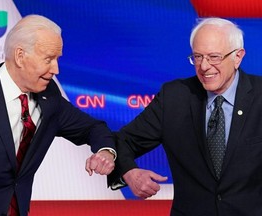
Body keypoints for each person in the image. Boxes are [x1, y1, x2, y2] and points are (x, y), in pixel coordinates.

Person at [109, 17, 262, 215]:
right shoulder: (174, 97)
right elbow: (122, 141)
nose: (204, 66)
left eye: (214, 57)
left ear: (238, 57)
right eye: (197, 57)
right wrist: (129, 173)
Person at [0, 14, 117, 216]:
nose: (56, 69)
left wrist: (105, 152)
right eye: (48, 59)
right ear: (20, 56)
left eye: (57, 59)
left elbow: (92, 128)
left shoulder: (49, 98)